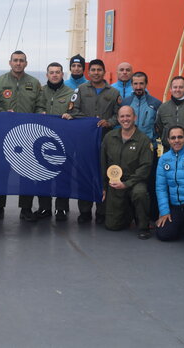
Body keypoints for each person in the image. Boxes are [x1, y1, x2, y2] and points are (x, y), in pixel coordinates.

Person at [0, 50, 46, 222]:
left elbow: (40, 105)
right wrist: (3, 113)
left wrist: (39, 115)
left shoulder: (34, 83)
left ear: (26, 63)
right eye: (15, 60)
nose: (18, 63)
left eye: (21, 61)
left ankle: (26, 208)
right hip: (4, 135)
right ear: (10, 62)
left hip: (27, 136)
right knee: (1, 173)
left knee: (27, 173)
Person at [65, 58, 121, 223]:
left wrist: (108, 122)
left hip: (106, 140)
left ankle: (102, 211)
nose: (96, 73)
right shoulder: (80, 90)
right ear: (88, 73)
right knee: (85, 175)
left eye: (99, 70)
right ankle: (85, 211)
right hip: (85, 141)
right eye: (93, 70)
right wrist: (90, 122)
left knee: (104, 174)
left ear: (104, 72)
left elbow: (118, 115)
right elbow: (73, 110)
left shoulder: (113, 93)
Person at [101, 106, 154, 239]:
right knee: (112, 226)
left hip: (135, 181)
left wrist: (127, 184)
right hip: (114, 181)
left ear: (134, 118)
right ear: (118, 119)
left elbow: (145, 167)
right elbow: (103, 163)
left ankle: (143, 225)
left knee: (140, 193)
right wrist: (104, 186)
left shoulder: (143, 140)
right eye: (122, 116)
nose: (125, 119)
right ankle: (128, 214)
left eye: (128, 116)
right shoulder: (109, 137)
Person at [37, 62, 74, 221]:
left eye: (57, 72)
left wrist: (69, 115)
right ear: (47, 75)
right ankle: (44, 208)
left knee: (62, 175)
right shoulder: (41, 91)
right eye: (51, 72)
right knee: (42, 174)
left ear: (62, 74)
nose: (54, 75)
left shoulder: (71, 92)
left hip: (63, 140)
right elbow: (36, 107)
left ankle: (61, 209)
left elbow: (75, 111)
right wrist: (40, 112)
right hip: (42, 140)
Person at [123, 71, 162, 221]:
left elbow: (160, 127)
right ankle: (130, 216)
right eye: (135, 83)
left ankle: (151, 217)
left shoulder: (156, 103)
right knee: (130, 181)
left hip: (149, 150)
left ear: (146, 84)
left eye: (141, 83)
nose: (138, 86)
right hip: (129, 150)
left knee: (151, 184)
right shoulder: (125, 103)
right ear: (132, 85)